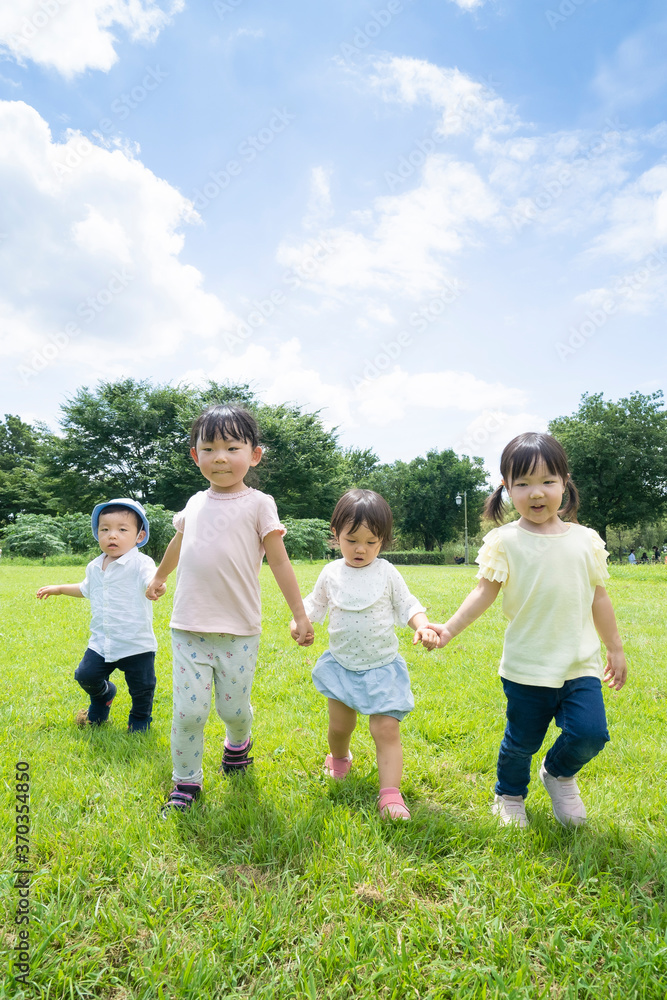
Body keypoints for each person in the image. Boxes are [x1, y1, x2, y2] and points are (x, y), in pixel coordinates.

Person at [426, 432, 627, 828]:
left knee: (591, 733)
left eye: (547, 481)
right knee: (521, 743)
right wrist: (448, 629)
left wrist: (615, 648)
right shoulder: (506, 541)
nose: (536, 493)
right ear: (506, 488)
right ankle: (510, 794)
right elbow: (483, 593)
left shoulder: (585, 540)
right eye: (522, 484)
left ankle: (558, 774)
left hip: (579, 665)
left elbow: (598, 598)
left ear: (565, 481)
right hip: (526, 666)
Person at [146, 403, 313, 814]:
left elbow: (279, 561)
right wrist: (160, 577)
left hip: (239, 629)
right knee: (189, 712)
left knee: (232, 708)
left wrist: (299, 612)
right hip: (188, 627)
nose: (220, 457)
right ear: (195, 455)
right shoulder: (194, 503)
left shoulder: (259, 504)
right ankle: (186, 782)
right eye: (209, 448)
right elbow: (178, 544)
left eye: (232, 447)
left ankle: (238, 742)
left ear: (254, 454)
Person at [291, 489, 438, 821]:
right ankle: (340, 759)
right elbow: (315, 605)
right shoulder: (331, 572)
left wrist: (423, 625)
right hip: (342, 665)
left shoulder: (386, 573)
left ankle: (390, 795)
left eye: (371, 542)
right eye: (351, 539)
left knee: (385, 730)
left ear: (382, 541)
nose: (360, 549)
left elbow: (408, 604)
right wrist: (300, 623)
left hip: (381, 667)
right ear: (336, 535)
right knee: (340, 726)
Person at [36, 499, 158, 732]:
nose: (112, 535)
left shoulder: (141, 563)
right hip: (102, 642)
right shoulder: (94, 566)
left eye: (122, 529)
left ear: (139, 536)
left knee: (142, 688)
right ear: (97, 533)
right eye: (105, 529)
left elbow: (149, 579)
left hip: (136, 643)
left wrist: (155, 585)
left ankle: (140, 721)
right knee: (86, 675)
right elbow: (85, 589)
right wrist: (60, 588)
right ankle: (104, 695)